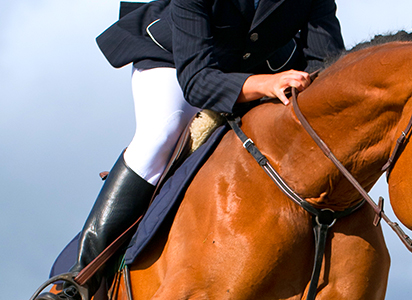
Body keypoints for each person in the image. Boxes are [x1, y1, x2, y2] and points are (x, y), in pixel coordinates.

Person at [37, 0, 344, 299]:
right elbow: (196, 81)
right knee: (163, 132)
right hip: (177, 62)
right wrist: (266, 84)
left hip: (257, 66)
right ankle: (77, 279)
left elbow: (326, 64)